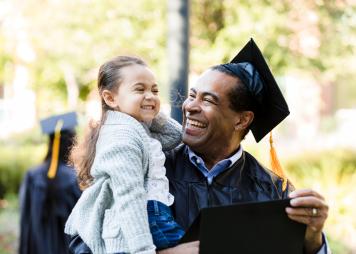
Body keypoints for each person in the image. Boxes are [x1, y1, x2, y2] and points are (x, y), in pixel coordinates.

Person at [69, 39, 330, 254]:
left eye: (208, 100)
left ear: (242, 119)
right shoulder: (149, 166)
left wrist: (312, 239)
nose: (190, 106)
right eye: (192, 95)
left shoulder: (271, 188)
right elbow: (81, 246)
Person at [65, 56, 184, 254]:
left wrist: (149, 110)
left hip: (156, 215)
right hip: (148, 218)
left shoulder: (135, 127)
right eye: (139, 89)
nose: (150, 95)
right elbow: (130, 196)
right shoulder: (122, 137)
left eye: (154, 90)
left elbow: (176, 136)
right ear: (110, 98)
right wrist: (142, 250)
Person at [19, 112, 82, 254]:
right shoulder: (75, 177)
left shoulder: (32, 177)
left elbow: (25, 222)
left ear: (51, 143)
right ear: (70, 145)